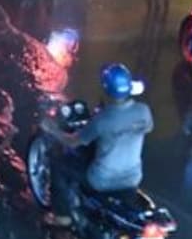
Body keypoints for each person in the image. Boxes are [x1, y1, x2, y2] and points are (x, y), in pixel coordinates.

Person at [40, 63, 153, 227]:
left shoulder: (102, 119)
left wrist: (53, 130)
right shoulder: (144, 111)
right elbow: (146, 128)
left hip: (101, 180)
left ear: (107, 89)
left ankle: (62, 216)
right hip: (132, 178)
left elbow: (73, 141)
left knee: (59, 162)